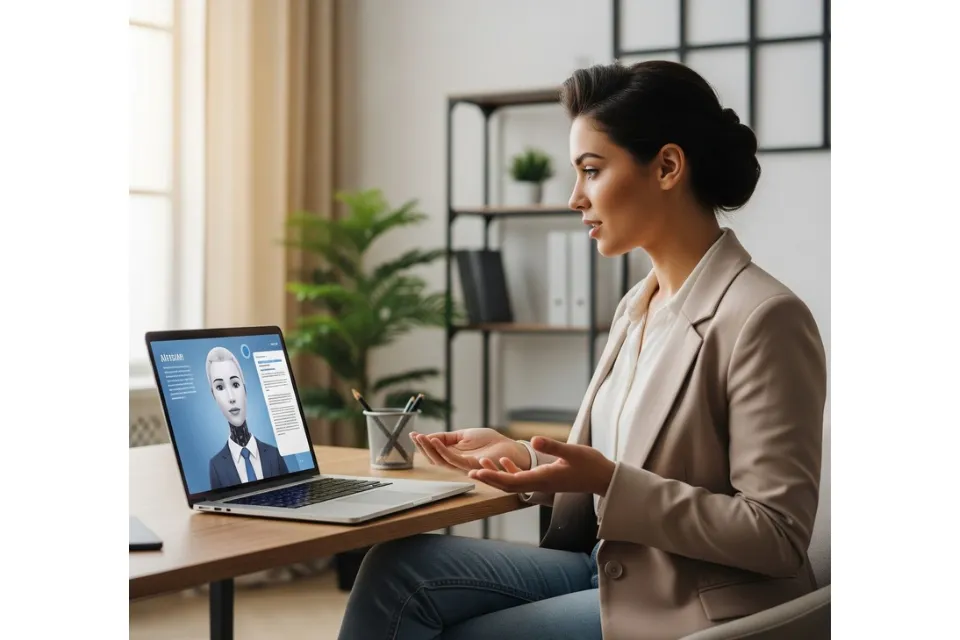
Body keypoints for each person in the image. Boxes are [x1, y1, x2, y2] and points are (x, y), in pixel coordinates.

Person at [336, 60, 826, 640]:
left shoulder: (763, 318)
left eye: (591, 170)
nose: (574, 197)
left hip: (699, 600)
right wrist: (523, 457)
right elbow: (608, 466)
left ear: (667, 166)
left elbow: (776, 535)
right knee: (398, 568)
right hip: (614, 569)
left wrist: (609, 483)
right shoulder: (636, 307)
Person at [205, 346, 288, 490]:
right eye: (220, 387)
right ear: (214, 396)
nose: (231, 398)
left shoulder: (274, 454)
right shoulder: (216, 466)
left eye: (235, 384)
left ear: (245, 389)